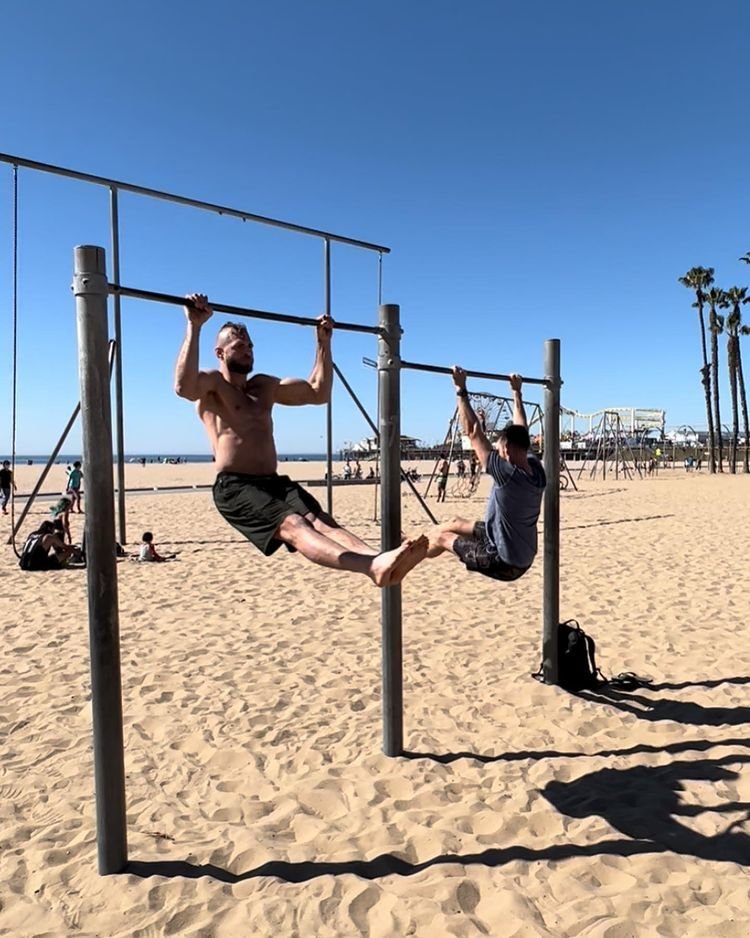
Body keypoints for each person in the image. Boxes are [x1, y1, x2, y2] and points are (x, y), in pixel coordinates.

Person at [174, 294, 427, 586]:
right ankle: (372, 565)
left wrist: (323, 342)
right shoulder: (212, 387)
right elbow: (183, 386)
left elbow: (318, 392)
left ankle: (380, 559)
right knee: (294, 524)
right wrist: (194, 326)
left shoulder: (264, 386)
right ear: (220, 353)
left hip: (274, 482)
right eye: (240, 345)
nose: (248, 350)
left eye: (250, 345)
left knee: (322, 522)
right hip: (235, 486)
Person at [426, 369, 546, 582]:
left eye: (499, 450)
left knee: (443, 537)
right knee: (455, 522)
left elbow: (473, 432)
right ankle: (414, 541)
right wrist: (517, 393)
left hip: (504, 561)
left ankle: (402, 556)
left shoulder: (507, 474)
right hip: (519, 549)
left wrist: (460, 389)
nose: (498, 453)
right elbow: (521, 429)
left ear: (506, 450)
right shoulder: (536, 469)